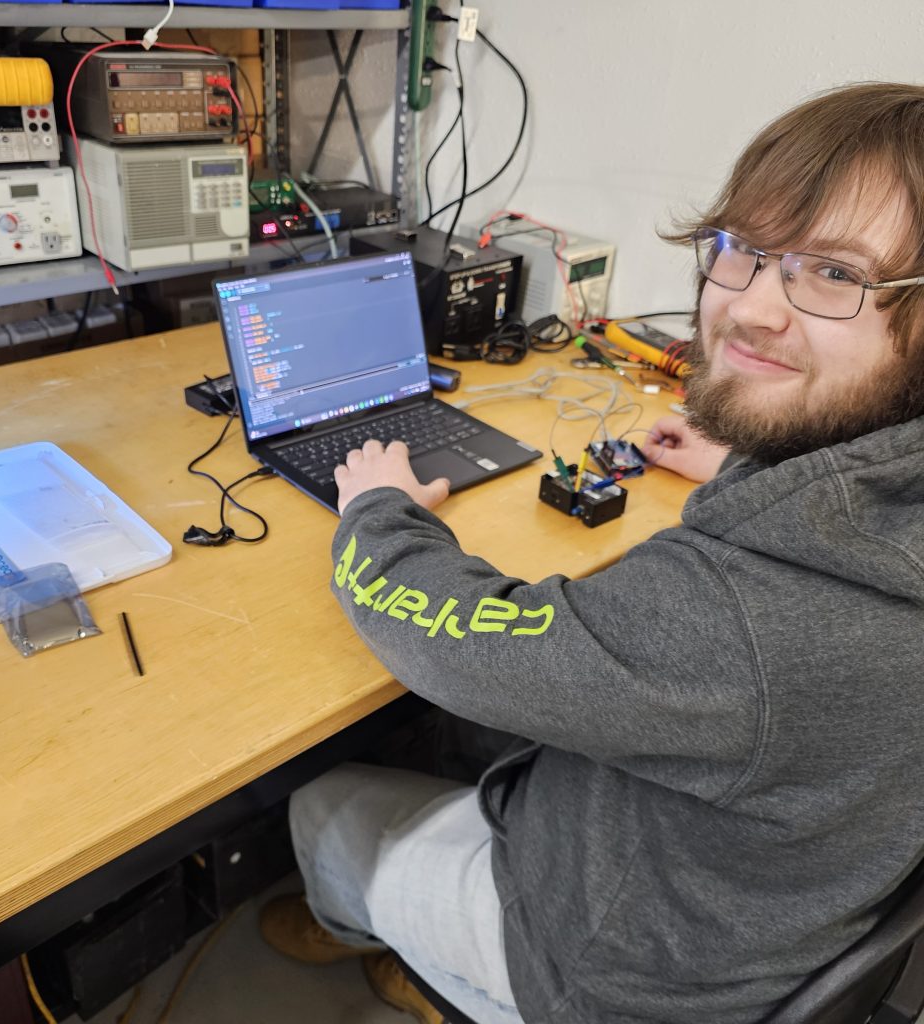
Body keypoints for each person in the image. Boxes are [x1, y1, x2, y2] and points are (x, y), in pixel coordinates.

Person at [260, 81, 924, 1024]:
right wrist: (754, 464)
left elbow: (458, 638)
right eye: (745, 252)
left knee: (320, 800)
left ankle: (395, 946)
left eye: (835, 275)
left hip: (610, 974)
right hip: (768, 925)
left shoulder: (740, 623)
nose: (754, 311)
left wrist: (374, 508)